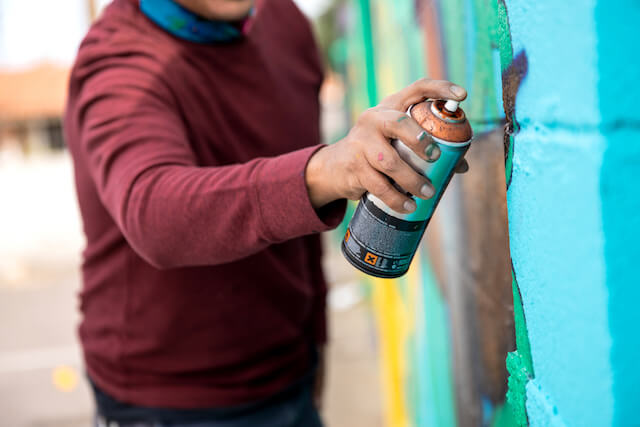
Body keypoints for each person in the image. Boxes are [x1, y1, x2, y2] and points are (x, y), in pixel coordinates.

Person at [64, 0, 468, 425]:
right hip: (170, 401)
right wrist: (326, 171)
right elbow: (156, 214)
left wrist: (314, 342)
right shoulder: (117, 61)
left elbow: (298, 228)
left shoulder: (283, 21)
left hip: (291, 375)